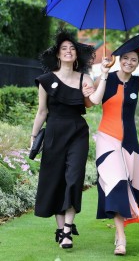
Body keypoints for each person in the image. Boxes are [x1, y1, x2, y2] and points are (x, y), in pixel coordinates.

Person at [83, 31, 139, 256]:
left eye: (134, 59)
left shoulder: (138, 82)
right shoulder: (106, 78)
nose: (129, 63)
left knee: (131, 185)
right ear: (119, 59)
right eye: (126, 59)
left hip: (130, 142)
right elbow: (90, 103)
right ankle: (121, 238)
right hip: (107, 139)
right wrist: (102, 74)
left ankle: (119, 232)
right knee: (117, 183)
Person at [30, 28, 110, 249]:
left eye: (72, 48)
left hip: (77, 131)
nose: (68, 51)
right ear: (58, 54)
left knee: (74, 178)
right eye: (64, 48)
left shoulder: (85, 78)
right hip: (54, 131)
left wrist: (103, 74)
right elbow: (42, 112)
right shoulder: (46, 80)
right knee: (56, 180)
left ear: (76, 55)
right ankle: (61, 231)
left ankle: (68, 230)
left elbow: (93, 101)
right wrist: (34, 136)